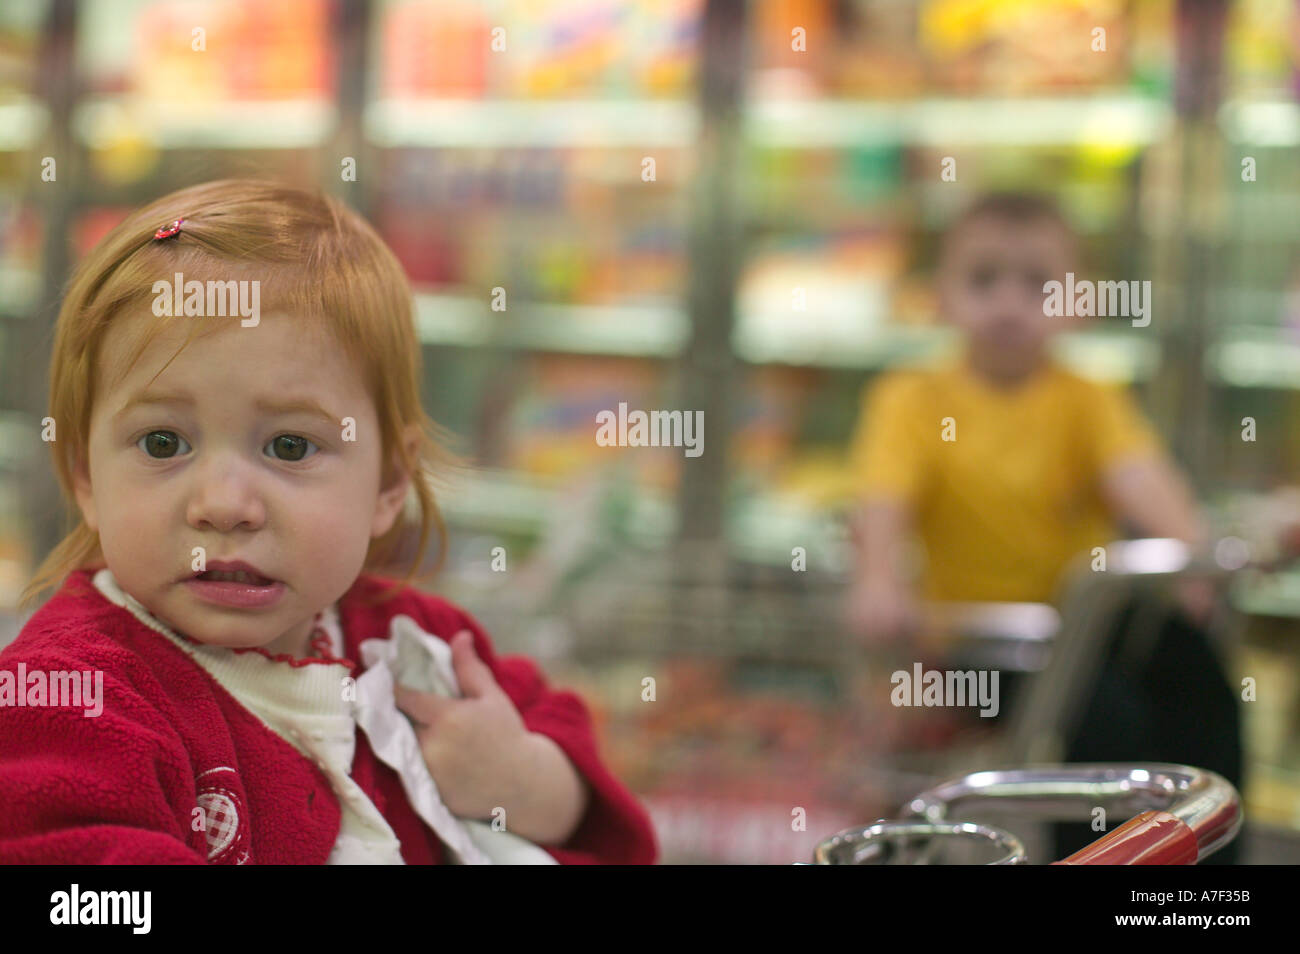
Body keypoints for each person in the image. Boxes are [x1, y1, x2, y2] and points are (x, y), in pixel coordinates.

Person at [0, 179, 657, 865]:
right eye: (163, 443)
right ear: (85, 475)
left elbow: (597, 808)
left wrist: (521, 778)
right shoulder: (71, 704)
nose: (224, 504)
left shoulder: (420, 648)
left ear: (390, 481)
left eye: (289, 446)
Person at [844, 192, 1242, 863]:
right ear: (940, 294)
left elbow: (1138, 475)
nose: (1008, 304)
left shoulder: (1085, 397)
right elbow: (883, 497)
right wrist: (878, 576)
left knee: (1197, 676)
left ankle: (1209, 870)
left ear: (1079, 300)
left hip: (1085, 627)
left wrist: (1193, 556)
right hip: (980, 642)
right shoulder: (913, 399)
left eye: (1038, 285)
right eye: (983, 280)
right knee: (1100, 724)